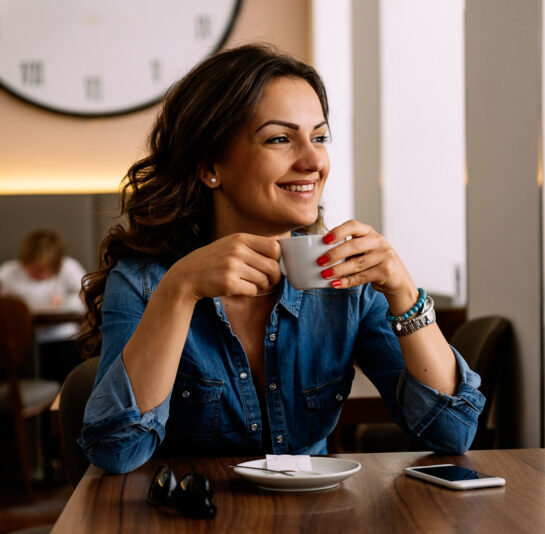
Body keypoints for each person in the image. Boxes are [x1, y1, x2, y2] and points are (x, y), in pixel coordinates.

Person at [77, 44, 484, 475]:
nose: (313, 162)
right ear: (209, 165)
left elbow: (452, 432)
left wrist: (404, 293)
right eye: (279, 139)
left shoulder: (344, 277)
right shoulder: (145, 281)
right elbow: (115, 450)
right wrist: (180, 291)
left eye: (320, 137)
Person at [0, 229, 86, 381]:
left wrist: (65, 301)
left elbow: (89, 296)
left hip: (61, 338)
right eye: (36, 270)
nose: (41, 275)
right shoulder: (8, 273)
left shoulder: (69, 267)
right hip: (23, 342)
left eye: (46, 271)